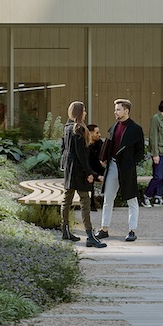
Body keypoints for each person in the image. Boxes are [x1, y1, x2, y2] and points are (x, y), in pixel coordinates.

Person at [99, 98, 146, 243]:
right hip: (112, 166)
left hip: (127, 169)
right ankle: (104, 229)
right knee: (108, 199)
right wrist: (105, 158)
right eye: (115, 109)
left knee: (132, 199)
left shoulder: (136, 129)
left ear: (126, 110)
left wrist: (131, 163)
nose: (115, 111)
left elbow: (140, 152)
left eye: (118, 109)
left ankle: (132, 230)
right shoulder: (114, 127)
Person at [60, 102, 104, 247]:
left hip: (69, 167)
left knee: (67, 199)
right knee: (85, 201)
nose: (85, 113)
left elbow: (63, 149)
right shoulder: (79, 128)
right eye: (84, 111)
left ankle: (65, 230)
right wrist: (89, 172)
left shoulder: (66, 127)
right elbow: (81, 154)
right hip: (78, 169)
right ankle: (90, 236)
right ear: (79, 113)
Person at [145, 98, 163, 207]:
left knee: (161, 176)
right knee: (157, 176)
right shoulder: (156, 119)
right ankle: (146, 196)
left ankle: (158, 197)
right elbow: (153, 137)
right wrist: (155, 154)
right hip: (159, 152)